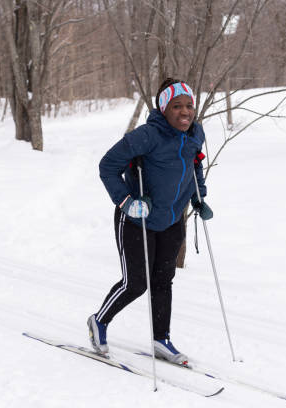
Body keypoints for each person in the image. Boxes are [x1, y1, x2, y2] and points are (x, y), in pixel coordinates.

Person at [88, 78, 213, 365]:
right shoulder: (146, 136)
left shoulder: (196, 133)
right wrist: (127, 202)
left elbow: (196, 165)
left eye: (189, 105)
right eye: (177, 106)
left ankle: (161, 339)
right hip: (136, 220)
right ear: (164, 108)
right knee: (136, 283)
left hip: (171, 220)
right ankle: (99, 321)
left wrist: (199, 196)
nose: (185, 112)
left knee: (163, 281)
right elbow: (107, 166)